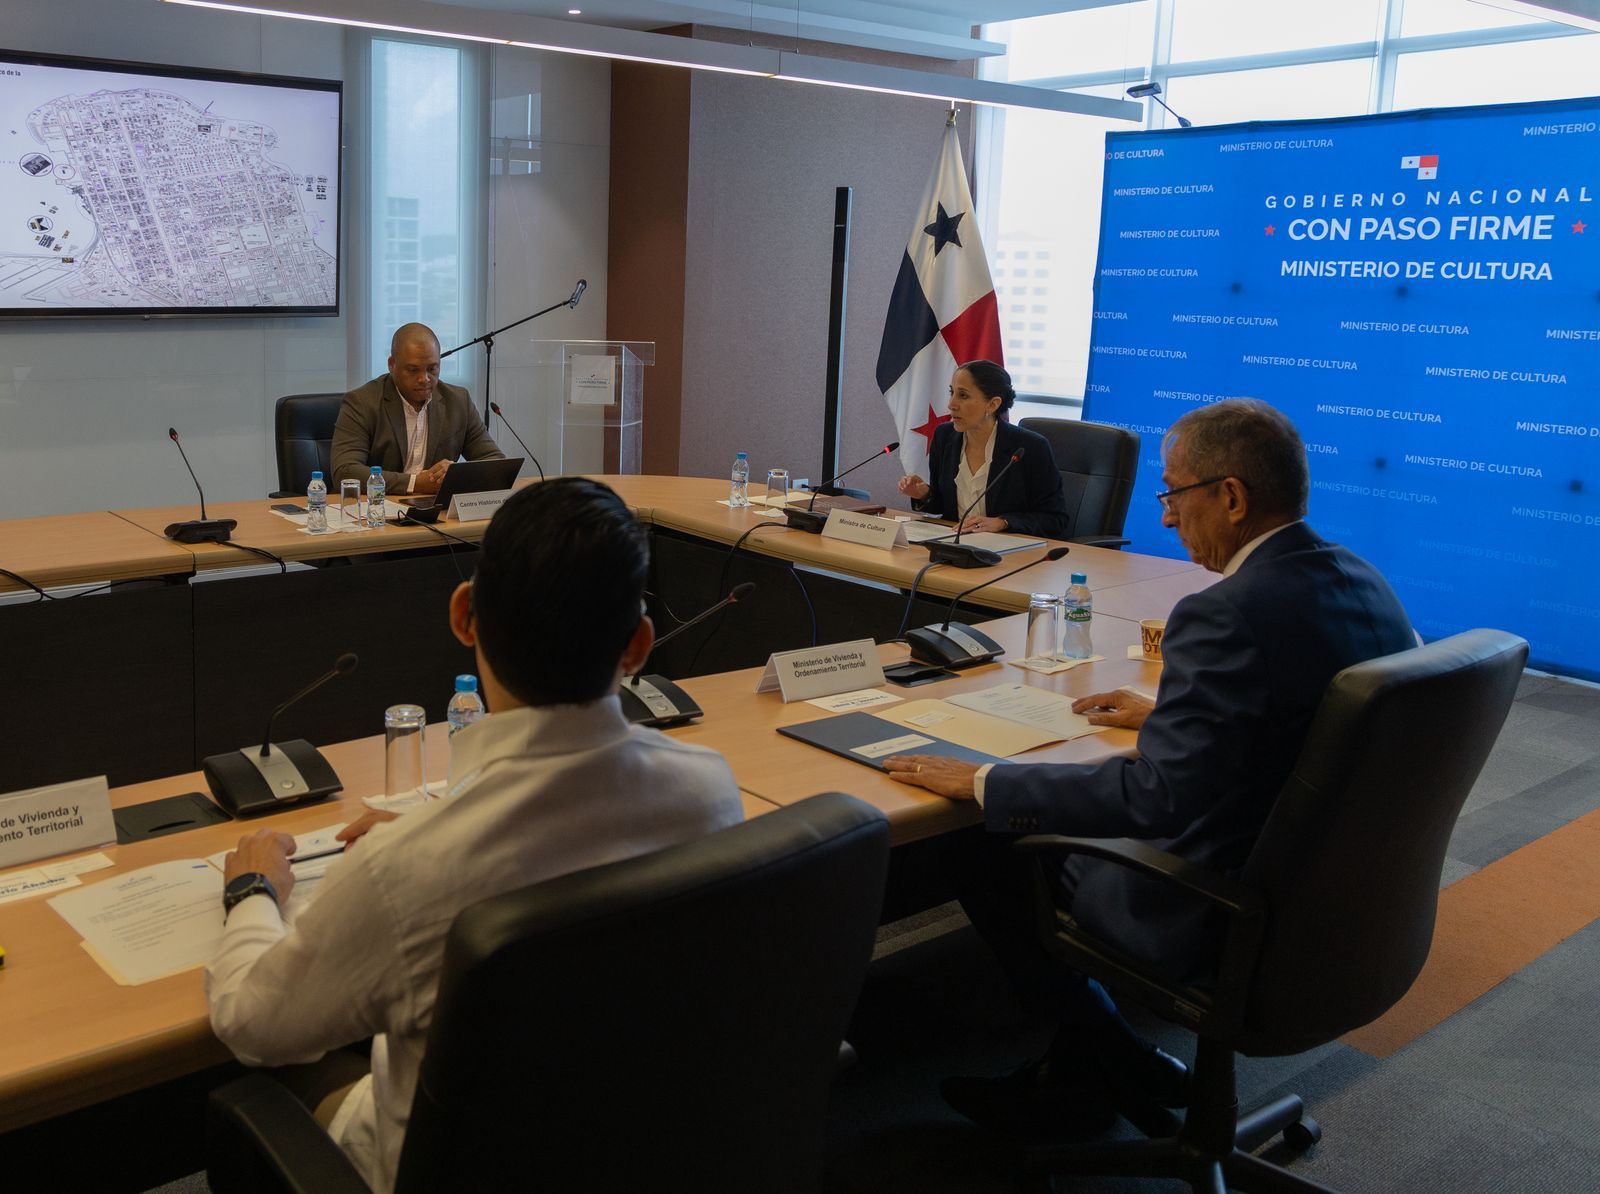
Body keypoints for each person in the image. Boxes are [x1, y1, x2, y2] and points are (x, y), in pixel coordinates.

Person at [883, 398, 1415, 1139]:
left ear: (1231, 497)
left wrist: (980, 781)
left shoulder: (1227, 612)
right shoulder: (1363, 580)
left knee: (981, 838)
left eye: (1174, 494)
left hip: (1221, 904)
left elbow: (1152, 798)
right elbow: (1305, 713)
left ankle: (1112, 1052)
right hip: (1339, 902)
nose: (1165, 518)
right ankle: (1081, 1069)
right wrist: (1172, 713)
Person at [206, 478, 744, 1192]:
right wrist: (431, 830)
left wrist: (251, 890)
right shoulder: (711, 792)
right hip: (636, 1147)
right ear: (639, 646)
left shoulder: (406, 871)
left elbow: (249, 1022)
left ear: (464, 615)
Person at [896, 360, 1070, 539]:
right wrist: (924, 494)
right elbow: (943, 506)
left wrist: (1003, 522)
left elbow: (1055, 519)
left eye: (963, 395)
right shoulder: (944, 436)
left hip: (1007, 546)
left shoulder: (1030, 447)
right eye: (952, 393)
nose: (951, 404)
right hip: (953, 541)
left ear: (992, 404)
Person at [330, 322, 504, 496]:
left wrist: (455, 474)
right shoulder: (362, 402)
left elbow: (495, 462)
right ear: (392, 364)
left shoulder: (458, 401)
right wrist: (416, 483)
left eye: (432, 369)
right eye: (413, 370)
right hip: (377, 506)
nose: (424, 379)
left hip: (435, 507)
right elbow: (345, 472)